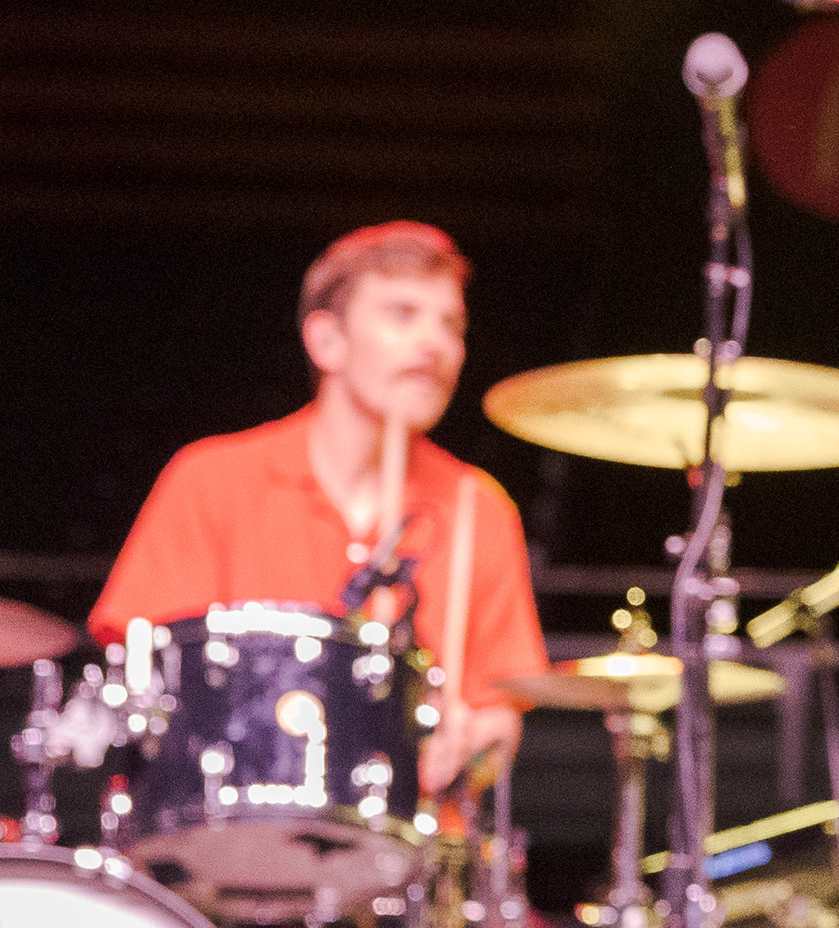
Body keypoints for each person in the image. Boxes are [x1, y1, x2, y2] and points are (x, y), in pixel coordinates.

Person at [92, 220, 546, 793]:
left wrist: (471, 745)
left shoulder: (477, 506)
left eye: (451, 324)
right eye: (402, 314)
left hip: (409, 856)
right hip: (224, 840)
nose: (434, 343)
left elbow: (499, 719)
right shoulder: (211, 479)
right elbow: (144, 675)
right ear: (326, 339)